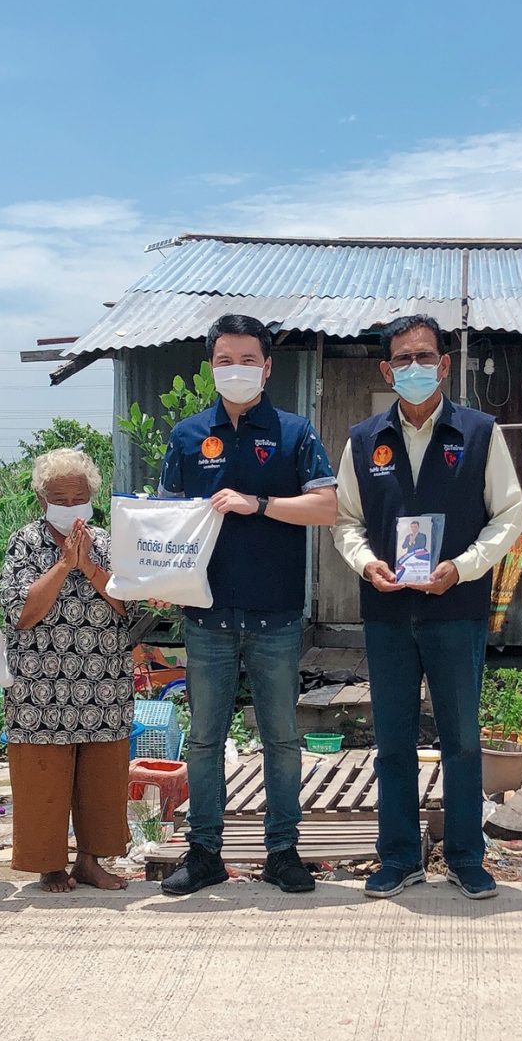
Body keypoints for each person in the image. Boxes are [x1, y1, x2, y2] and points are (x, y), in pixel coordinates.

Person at [332, 314, 522, 899]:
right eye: (402, 359)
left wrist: (461, 568)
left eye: (425, 357)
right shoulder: (364, 440)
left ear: (443, 364)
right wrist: (367, 563)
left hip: (455, 607)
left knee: (462, 739)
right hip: (388, 612)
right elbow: (347, 520)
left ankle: (467, 857)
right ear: (388, 369)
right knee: (390, 740)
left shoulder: (480, 432)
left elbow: (508, 516)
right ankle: (398, 857)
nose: (414, 368)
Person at [157, 313, 338, 896]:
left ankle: (283, 852)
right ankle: (204, 851)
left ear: (267, 365)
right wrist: (156, 573)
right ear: (211, 366)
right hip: (205, 615)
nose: (237, 370)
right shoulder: (187, 436)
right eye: (225, 360)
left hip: (276, 615)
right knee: (205, 739)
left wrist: (257, 504)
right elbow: (164, 519)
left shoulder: (294, 432)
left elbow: (326, 509)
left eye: (248, 359)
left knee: (282, 740)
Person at [0, 447, 133, 893]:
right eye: (60, 499)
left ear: (91, 497)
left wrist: (88, 565)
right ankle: (49, 864)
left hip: (102, 682)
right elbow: (20, 612)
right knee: (43, 777)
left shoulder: (110, 543)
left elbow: (124, 604)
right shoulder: (25, 543)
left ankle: (90, 861)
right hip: (39, 686)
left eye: (79, 498)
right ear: (42, 500)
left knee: (101, 777)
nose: (70, 507)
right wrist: (63, 565)